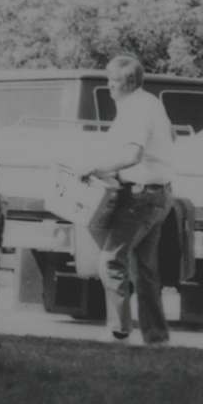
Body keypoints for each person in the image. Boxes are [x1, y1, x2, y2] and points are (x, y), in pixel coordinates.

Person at [81, 54, 175, 346]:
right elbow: (170, 138)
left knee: (111, 261)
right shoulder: (152, 103)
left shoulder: (135, 109)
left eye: (114, 80)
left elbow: (132, 155)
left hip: (140, 195)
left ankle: (118, 330)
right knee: (145, 270)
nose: (109, 86)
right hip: (160, 193)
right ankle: (156, 337)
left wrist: (97, 168)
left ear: (130, 82)